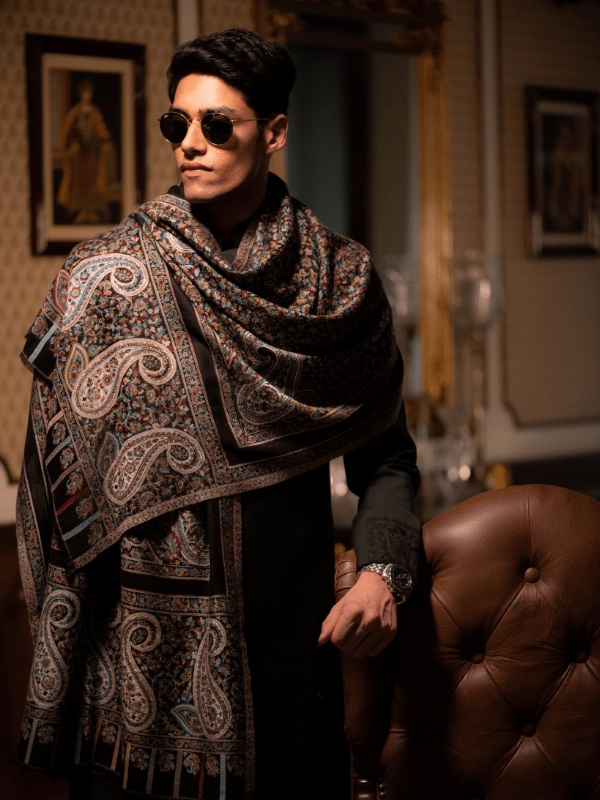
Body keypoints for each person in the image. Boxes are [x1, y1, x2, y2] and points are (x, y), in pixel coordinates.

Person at [16, 29, 421, 800]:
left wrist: (379, 573)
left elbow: (388, 460)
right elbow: (56, 483)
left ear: (274, 131)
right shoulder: (105, 279)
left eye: (216, 124)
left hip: (291, 642)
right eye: (178, 124)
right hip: (137, 652)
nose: (190, 144)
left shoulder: (339, 284)